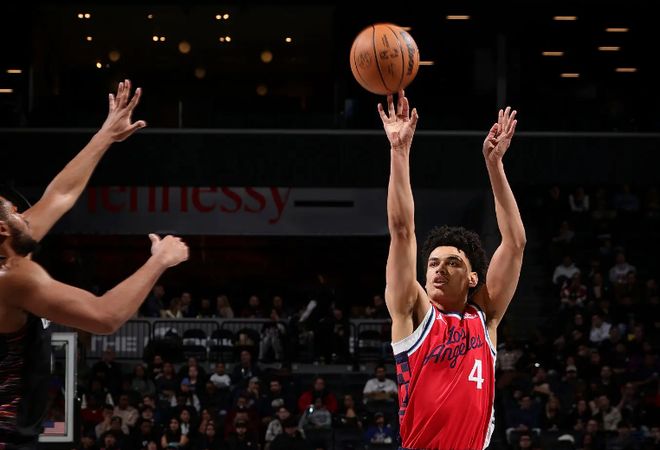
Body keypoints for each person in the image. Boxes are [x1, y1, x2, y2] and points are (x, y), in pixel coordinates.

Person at [0, 80, 189, 449]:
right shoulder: (12, 278)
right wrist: (160, 261)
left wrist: (106, 135)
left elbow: (61, 194)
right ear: (4, 228)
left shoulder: (10, 249)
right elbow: (105, 317)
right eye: (15, 210)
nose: (24, 212)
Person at [379, 91, 525, 449]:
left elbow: (515, 243)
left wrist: (495, 166)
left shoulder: (484, 319)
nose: (438, 269)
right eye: (432, 263)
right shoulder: (413, 311)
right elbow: (401, 230)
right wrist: (399, 151)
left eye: (452, 262)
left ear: (473, 277)